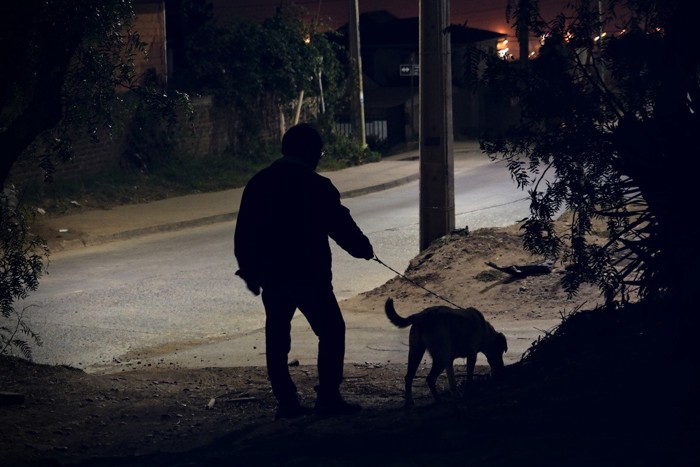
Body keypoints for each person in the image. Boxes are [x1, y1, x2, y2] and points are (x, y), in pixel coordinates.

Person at [234, 123, 375, 419]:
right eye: (319, 152)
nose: (319, 158)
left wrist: (250, 271)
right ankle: (328, 397)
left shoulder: (259, 183)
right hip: (310, 275)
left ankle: (286, 402)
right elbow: (340, 225)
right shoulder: (317, 185)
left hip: (273, 275)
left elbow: (244, 233)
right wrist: (363, 249)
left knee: (277, 336)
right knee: (332, 331)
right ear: (310, 152)